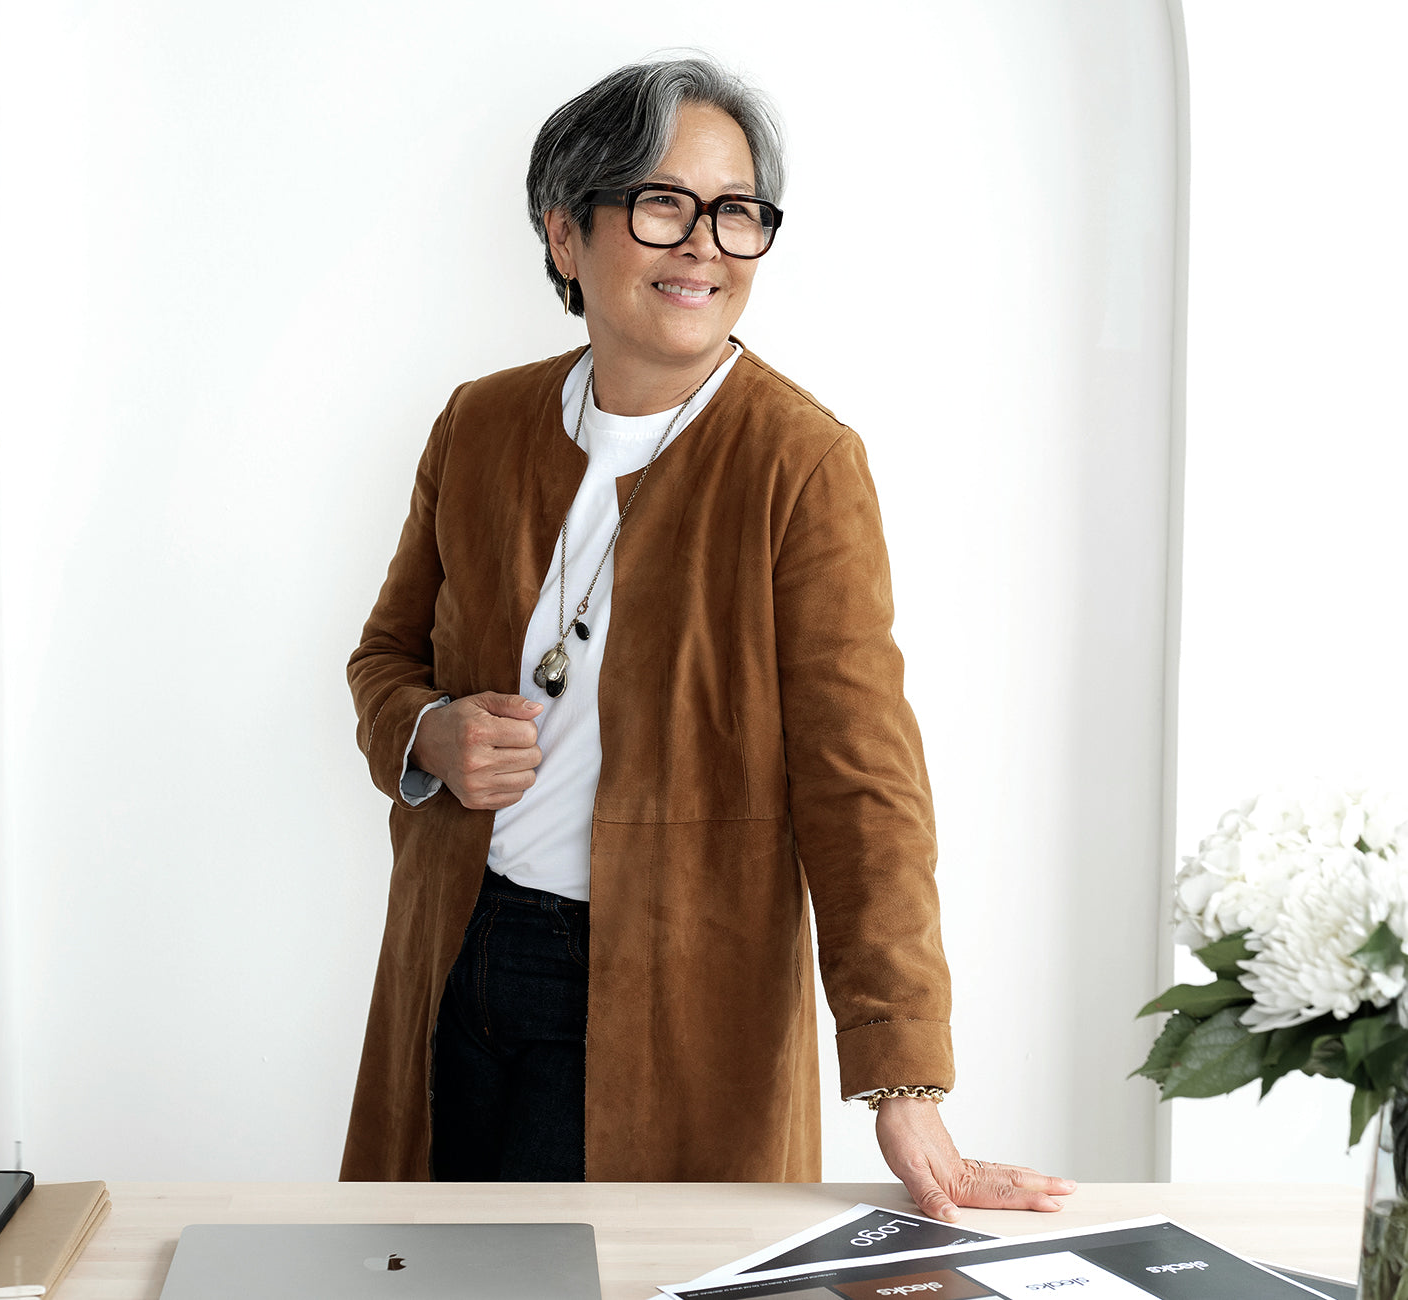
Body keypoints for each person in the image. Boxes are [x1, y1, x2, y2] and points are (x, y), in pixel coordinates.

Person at [341, 55, 1074, 1221]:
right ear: (564, 235)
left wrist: (901, 1070)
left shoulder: (799, 465)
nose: (703, 246)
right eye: (661, 202)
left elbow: (862, 781)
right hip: (453, 952)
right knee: (420, 1266)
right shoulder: (478, 424)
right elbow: (383, 657)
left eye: (736, 213)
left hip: (665, 992)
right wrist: (425, 731)